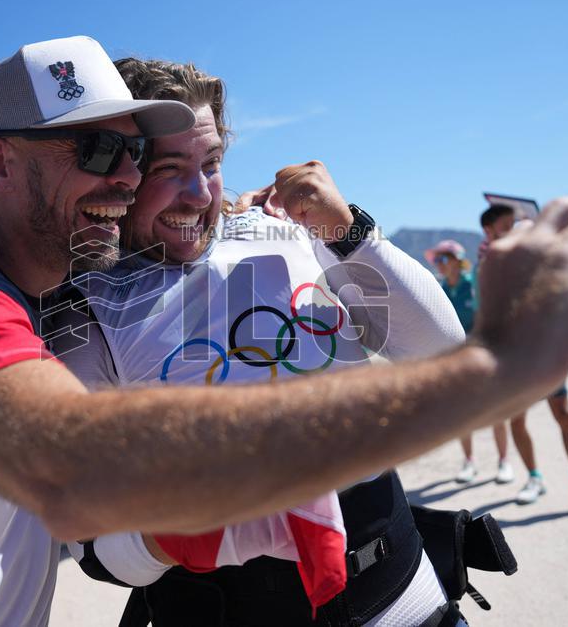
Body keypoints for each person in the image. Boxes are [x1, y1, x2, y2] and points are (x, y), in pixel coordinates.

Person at [0, 35, 568, 626]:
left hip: (399, 590)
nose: (132, 179)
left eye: (142, 156)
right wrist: (484, 375)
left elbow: (424, 341)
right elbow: (76, 488)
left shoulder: (272, 235)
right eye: (105, 154)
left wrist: (350, 234)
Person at [50, 57, 468, 626]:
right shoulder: (83, 311)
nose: (198, 194)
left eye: (211, 163)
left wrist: (350, 232)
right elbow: (94, 548)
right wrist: (183, 535)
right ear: (118, 176)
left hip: (412, 597)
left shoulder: (284, 228)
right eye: (169, 168)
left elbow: (442, 354)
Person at [479, 205, 568, 523]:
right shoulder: (488, 261)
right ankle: (535, 478)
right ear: (489, 230)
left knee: (564, 415)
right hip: (514, 358)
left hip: (543, 352)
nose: (513, 227)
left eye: (514, 222)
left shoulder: (530, 254)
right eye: (506, 224)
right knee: (517, 421)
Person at [426, 239, 513, 486]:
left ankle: (504, 461)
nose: (439, 264)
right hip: (457, 362)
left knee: (496, 412)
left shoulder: (473, 285)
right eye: (436, 260)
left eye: (443, 258)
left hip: (483, 357)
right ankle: (469, 462)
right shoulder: (440, 289)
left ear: (458, 260)